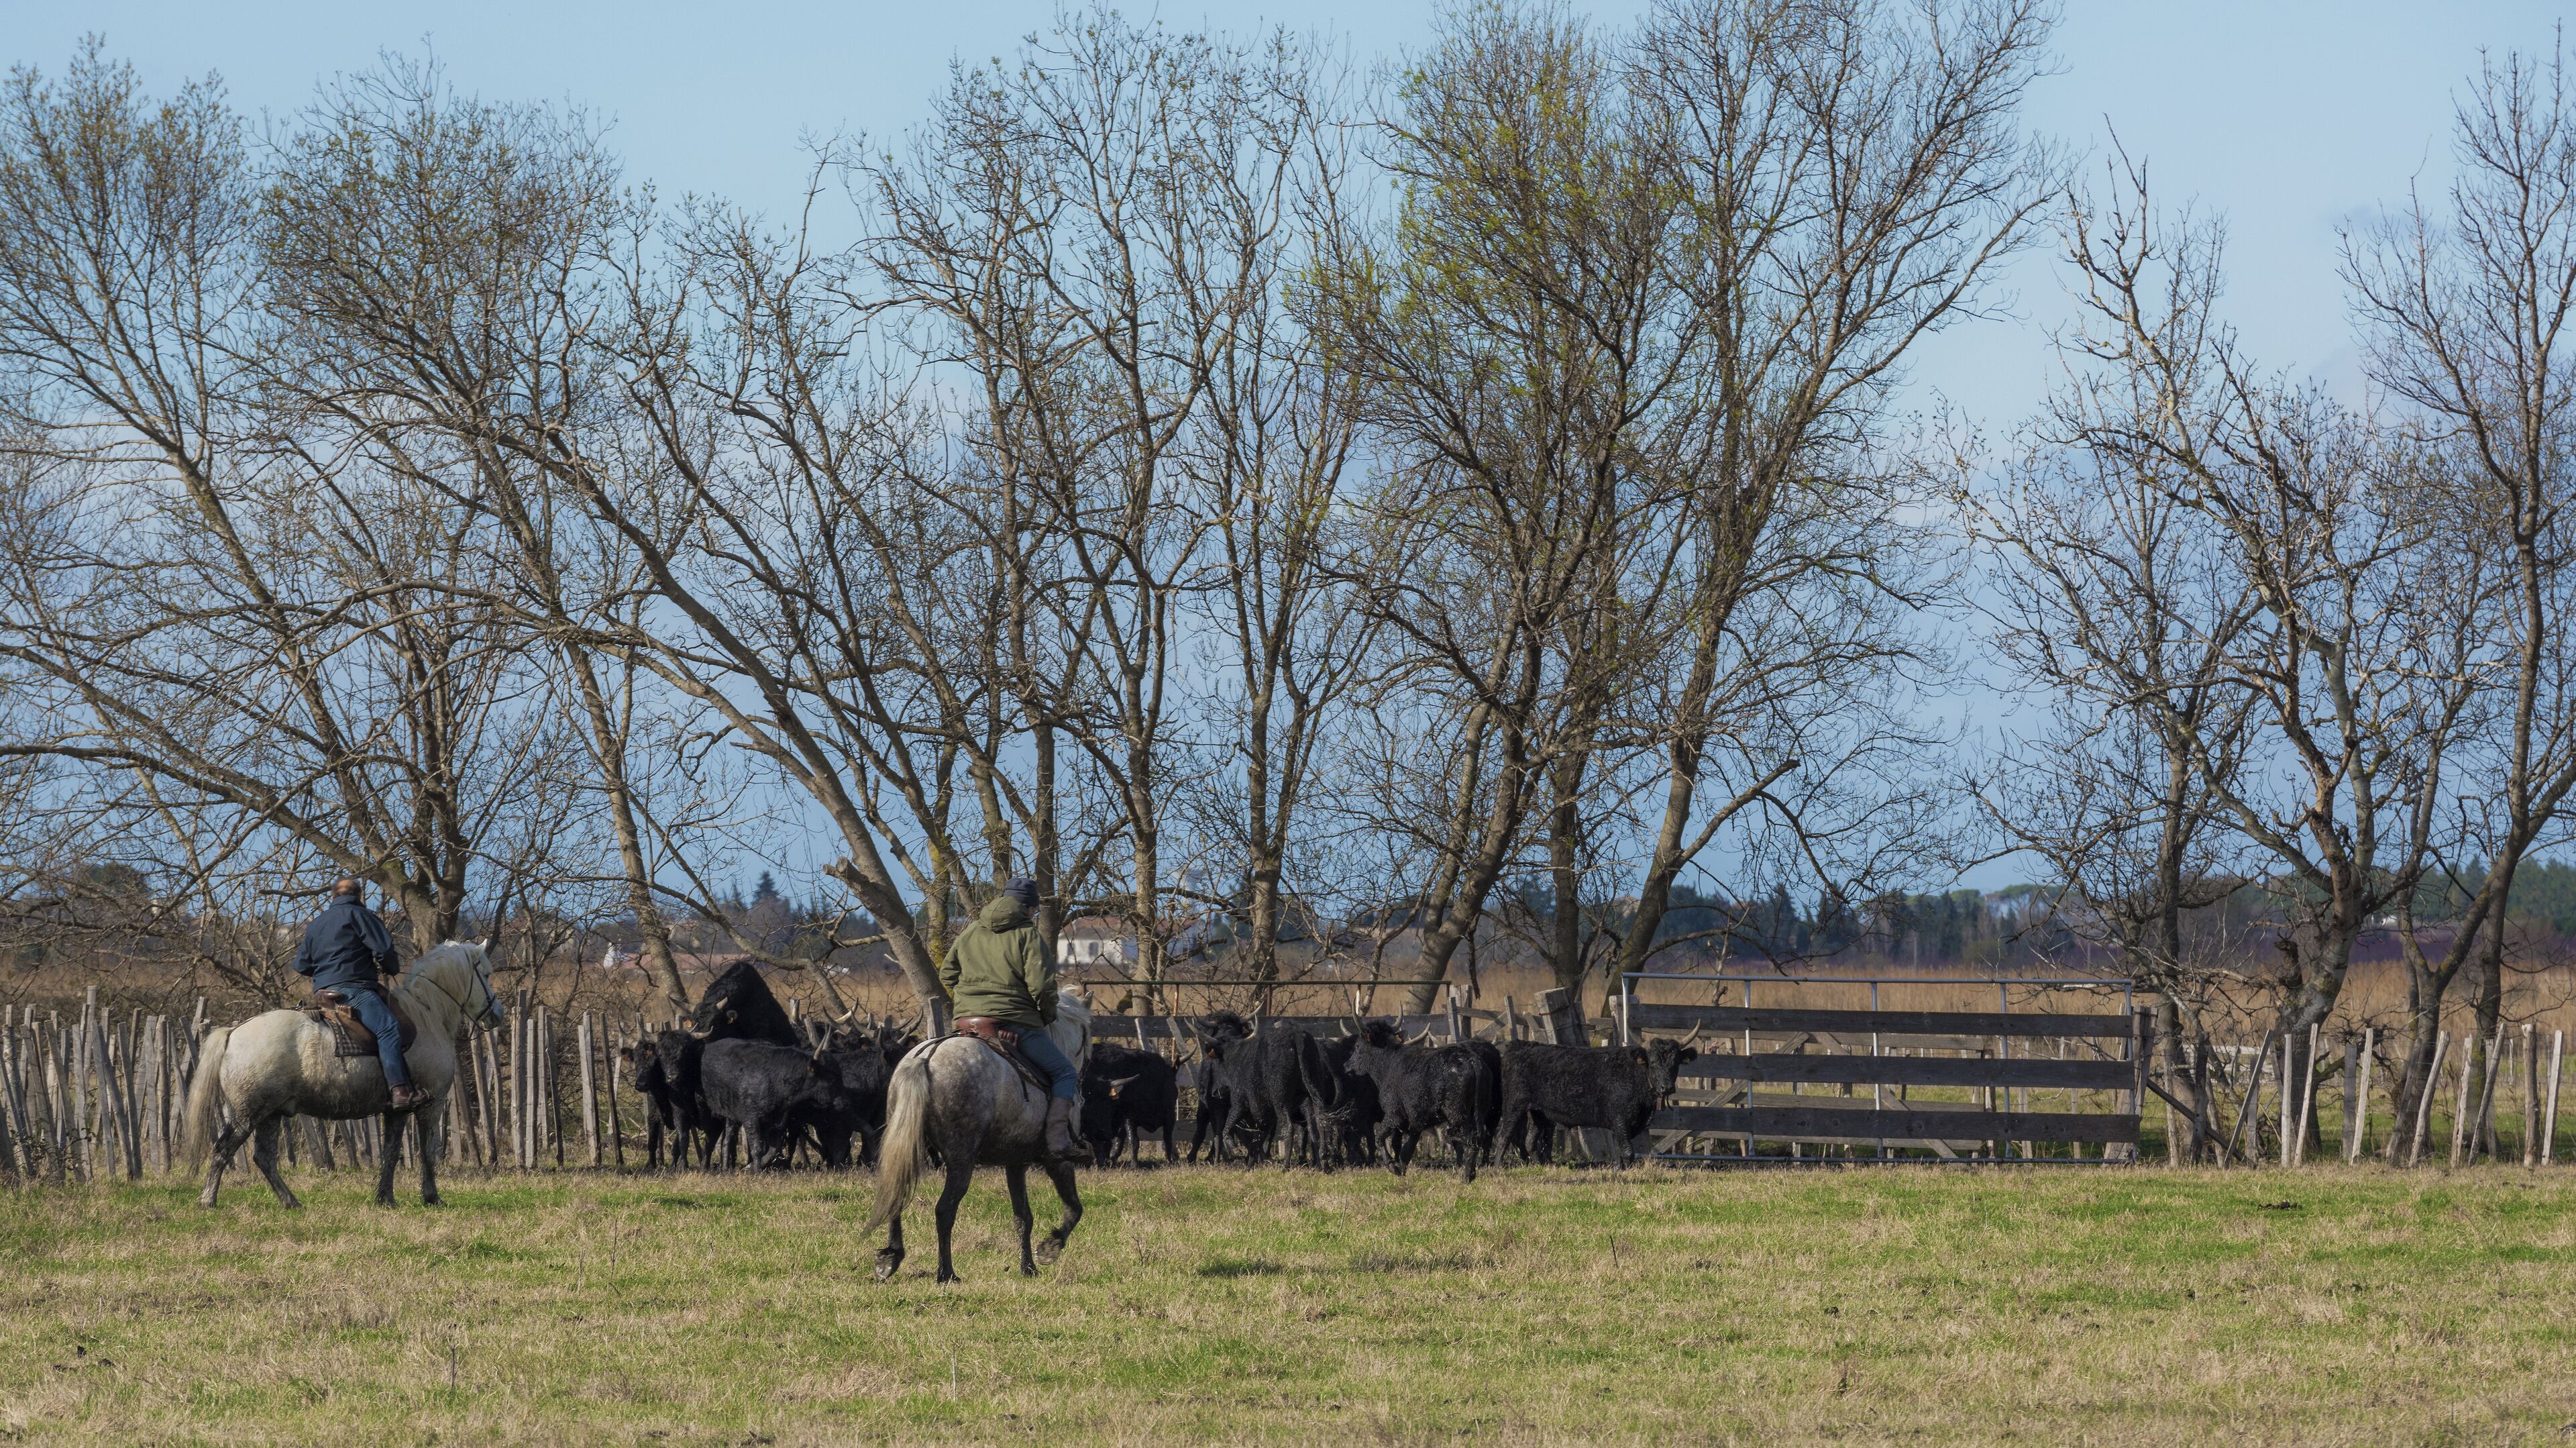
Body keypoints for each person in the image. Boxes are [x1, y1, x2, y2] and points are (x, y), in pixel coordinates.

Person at [939, 877, 1085, 1162]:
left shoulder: (970, 931)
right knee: (1065, 1072)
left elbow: (947, 974)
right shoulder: (1027, 935)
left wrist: (972, 1000)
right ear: (1031, 908)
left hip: (968, 1025)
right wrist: (1045, 1017)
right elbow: (1042, 988)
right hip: (1012, 1023)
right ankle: (1058, 1141)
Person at [294, 878, 427, 1110]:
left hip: (323, 992)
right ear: (359, 896)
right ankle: (400, 1091)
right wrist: (391, 967)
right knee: (387, 1027)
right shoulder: (361, 915)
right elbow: (384, 950)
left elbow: (302, 965)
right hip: (353, 989)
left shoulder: (315, 924)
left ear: (332, 897)